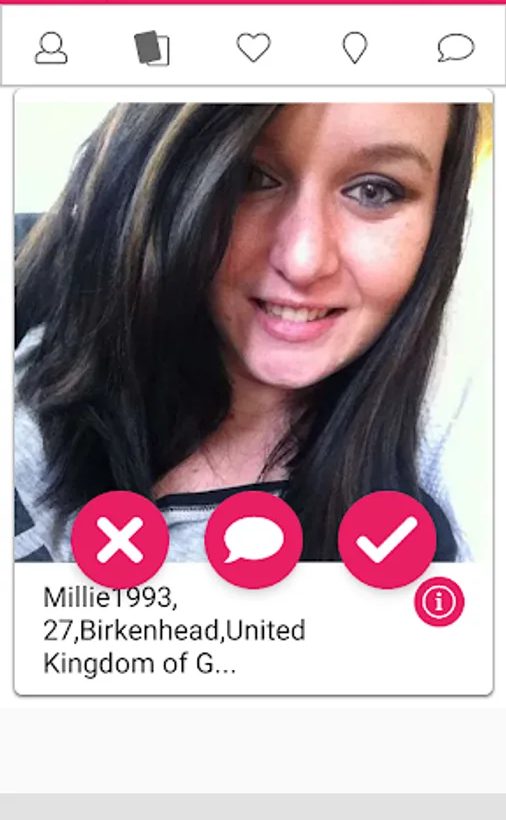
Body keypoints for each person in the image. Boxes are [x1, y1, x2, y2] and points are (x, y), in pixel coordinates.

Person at [14, 101, 480, 562]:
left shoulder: (403, 552)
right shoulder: (34, 299)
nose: (303, 261)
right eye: (251, 177)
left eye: (374, 191)